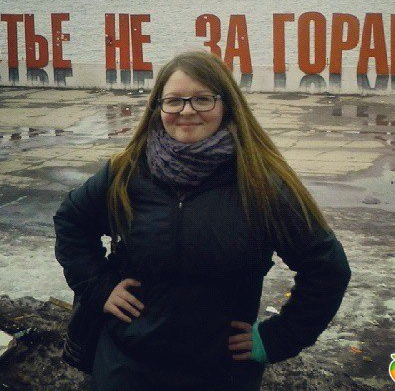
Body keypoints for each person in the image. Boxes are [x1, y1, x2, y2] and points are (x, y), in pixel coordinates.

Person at [54, 50, 351, 391]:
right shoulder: (127, 172)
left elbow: (327, 269)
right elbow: (72, 222)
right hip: (125, 368)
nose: (187, 111)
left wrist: (277, 338)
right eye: (174, 101)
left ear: (226, 105)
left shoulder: (261, 183)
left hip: (219, 374)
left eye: (202, 99)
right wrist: (99, 287)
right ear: (158, 107)